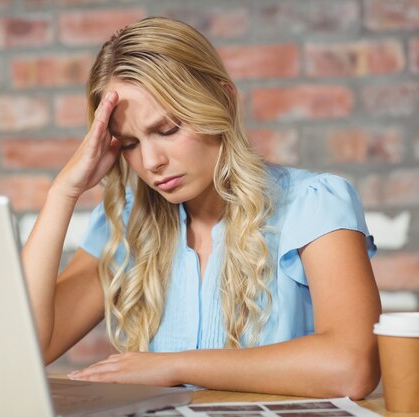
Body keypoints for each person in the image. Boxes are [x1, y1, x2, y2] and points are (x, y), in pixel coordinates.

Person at [22, 16, 381, 399]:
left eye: (168, 130)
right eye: (128, 144)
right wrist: (63, 193)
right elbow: (25, 348)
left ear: (223, 100)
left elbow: (352, 366)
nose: (152, 161)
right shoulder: (130, 223)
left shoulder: (312, 204)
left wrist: (173, 366)